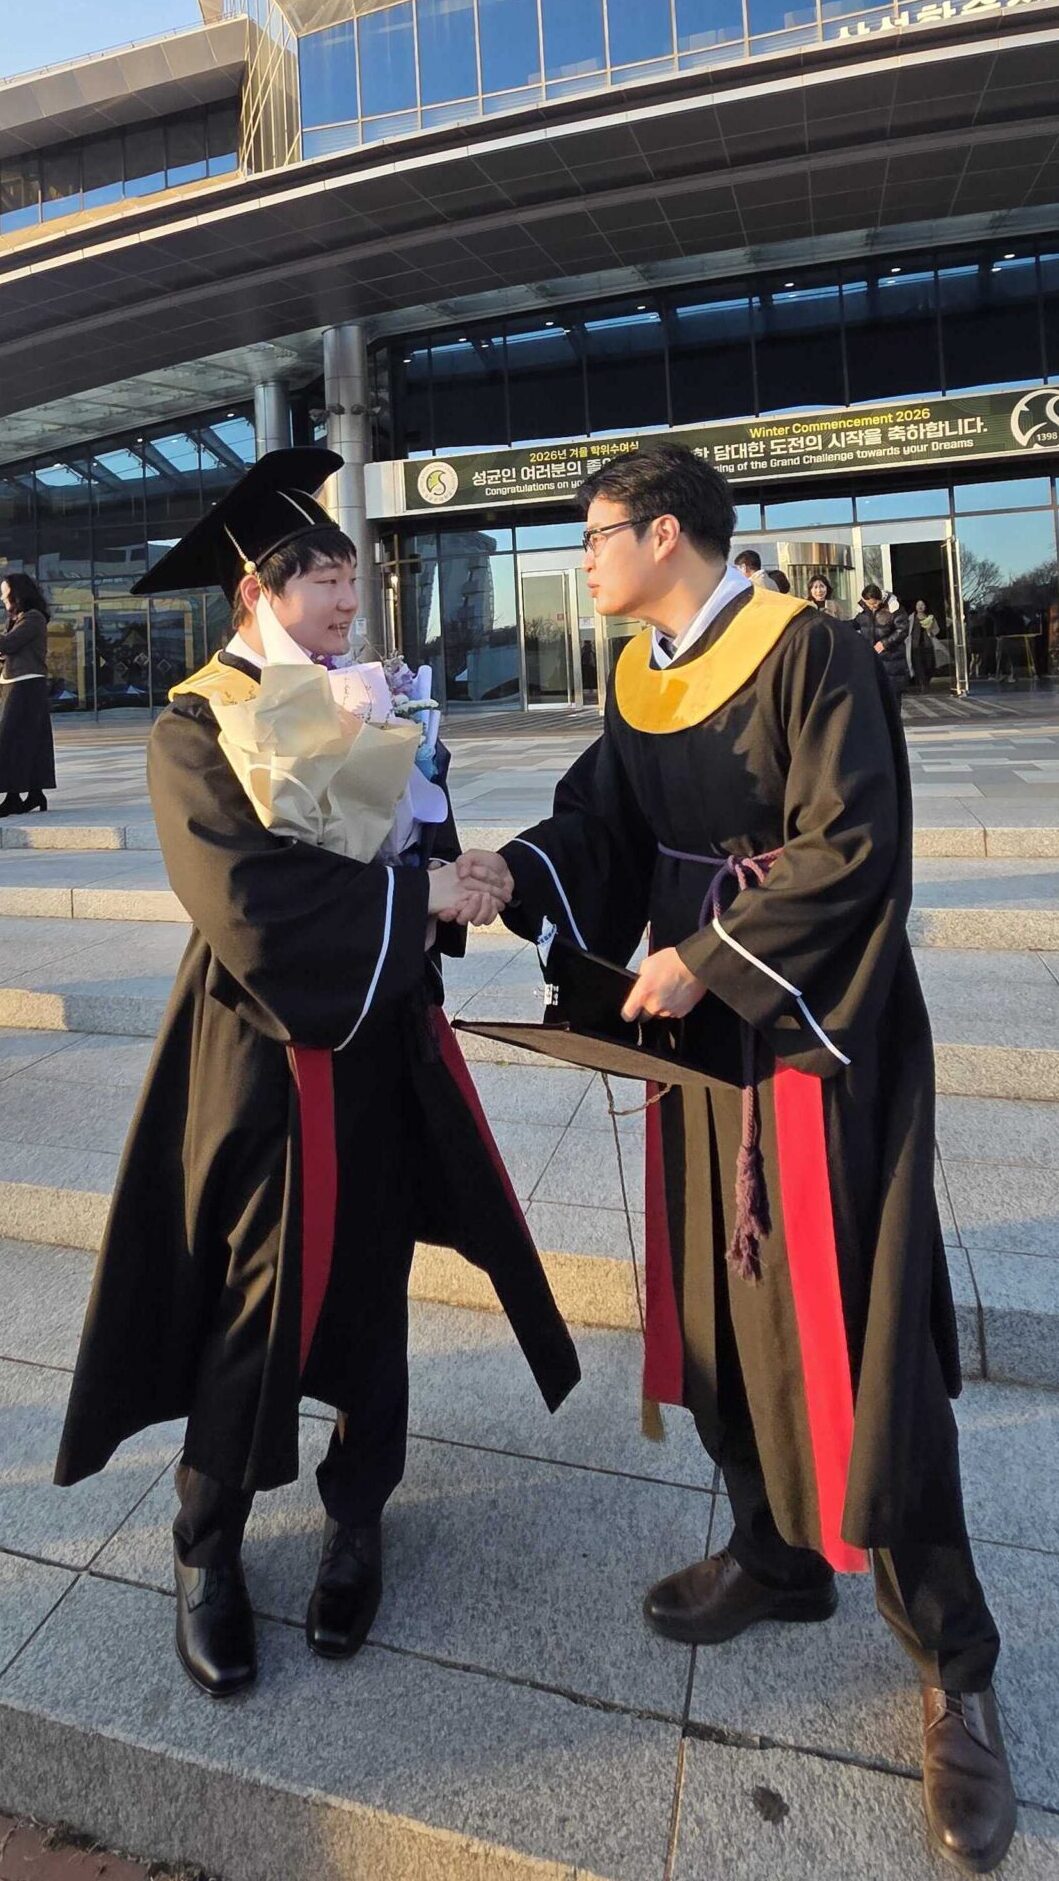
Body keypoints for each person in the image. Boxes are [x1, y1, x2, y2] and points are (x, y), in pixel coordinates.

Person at [458, 444, 1014, 1877]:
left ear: (664, 533)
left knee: (855, 1335)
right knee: (721, 1305)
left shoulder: (809, 649)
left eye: (595, 533)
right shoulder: (643, 673)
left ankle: (953, 1662)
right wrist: (511, 872)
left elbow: (854, 847)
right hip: (701, 1041)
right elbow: (603, 820)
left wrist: (706, 957)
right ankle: (773, 1550)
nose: (581, 558)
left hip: (812, 1042)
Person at [54, 449, 579, 1699]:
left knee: (370, 1280)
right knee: (258, 1290)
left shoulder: (369, 696)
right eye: (326, 579)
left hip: (382, 1040)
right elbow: (250, 903)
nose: (350, 599)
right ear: (258, 590)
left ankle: (358, 1513)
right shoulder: (195, 726)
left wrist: (459, 873)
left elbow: (419, 834)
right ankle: (208, 1542)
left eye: (352, 576)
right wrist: (416, 896)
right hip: (259, 1050)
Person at [0, 572, 56, 816]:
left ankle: (13, 797)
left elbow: (8, 644)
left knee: (10, 739)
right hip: (16, 683)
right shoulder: (18, 619)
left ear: (17, 593)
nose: (2, 597)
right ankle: (34, 793)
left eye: (5, 592)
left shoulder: (33, 618)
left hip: (26, 684)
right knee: (29, 739)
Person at [855, 584, 910, 698]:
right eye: (869, 604)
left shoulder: (893, 606)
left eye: (875, 603)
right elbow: (856, 623)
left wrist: (885, 643)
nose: (872, 607)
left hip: (892, 657)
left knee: (893, 696)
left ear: (880, 598)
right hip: (872, 658)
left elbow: (903, 629)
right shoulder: (864, 609)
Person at [910, 599, 939, 693]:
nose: (920, 606)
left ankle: (926, 682)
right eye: (918, 605)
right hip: (915, 646)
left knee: (929, 665)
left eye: (922, 604)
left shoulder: (930, 618)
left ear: (925, 606)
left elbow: (936, 630)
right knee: (918, 666)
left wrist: (930, 630)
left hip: (928, 645)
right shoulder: (911, 618)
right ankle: (923, 685)